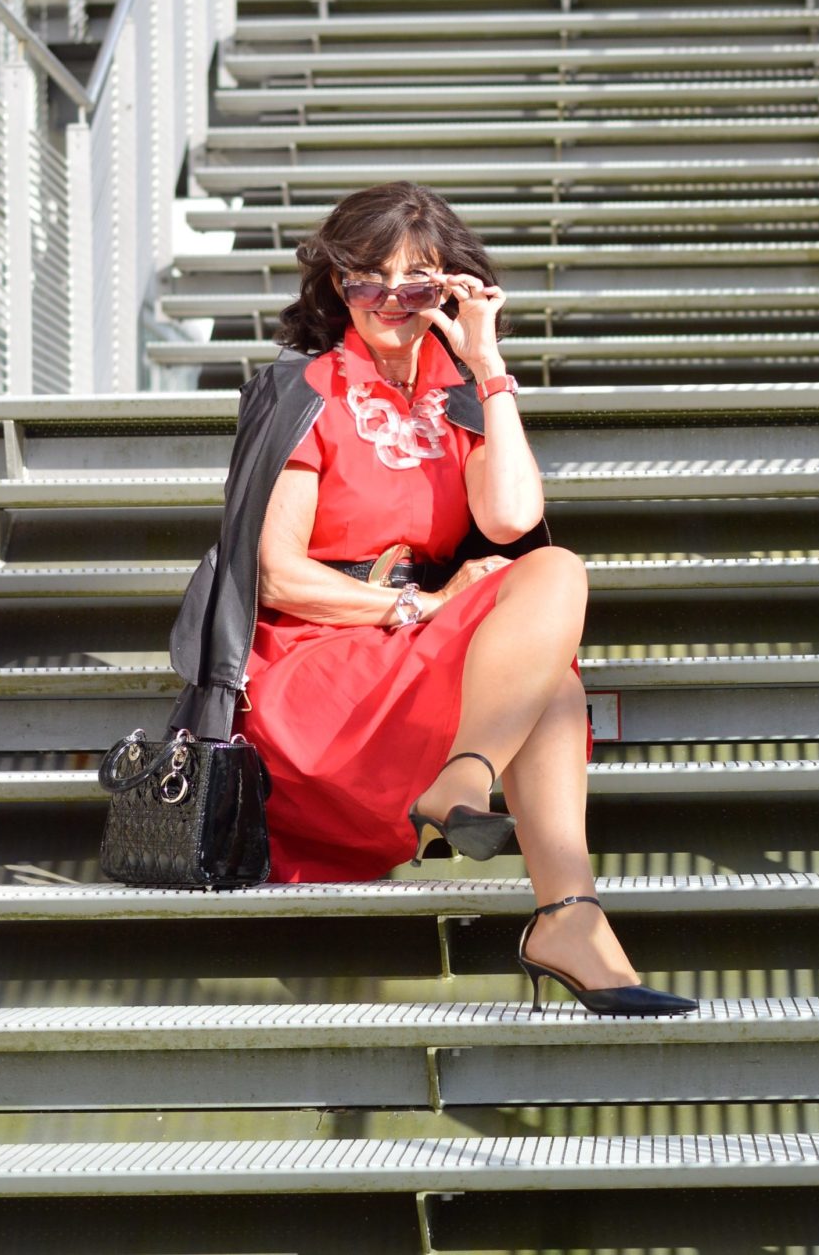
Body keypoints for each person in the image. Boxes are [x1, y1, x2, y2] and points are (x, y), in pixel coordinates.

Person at [167, 181, 695, 1017]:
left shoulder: (459, 395)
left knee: (554, 595)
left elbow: (512, 518)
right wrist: (425, 605)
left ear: (449, 288)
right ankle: (544, 886)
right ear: (336, 284)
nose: (389, 299)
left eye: (414, 282)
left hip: (414, 663)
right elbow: (277, 576)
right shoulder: (310, 390)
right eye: (365, 279)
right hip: (318, 669)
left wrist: (488, 367)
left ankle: (558, 902)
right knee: (552, 670)